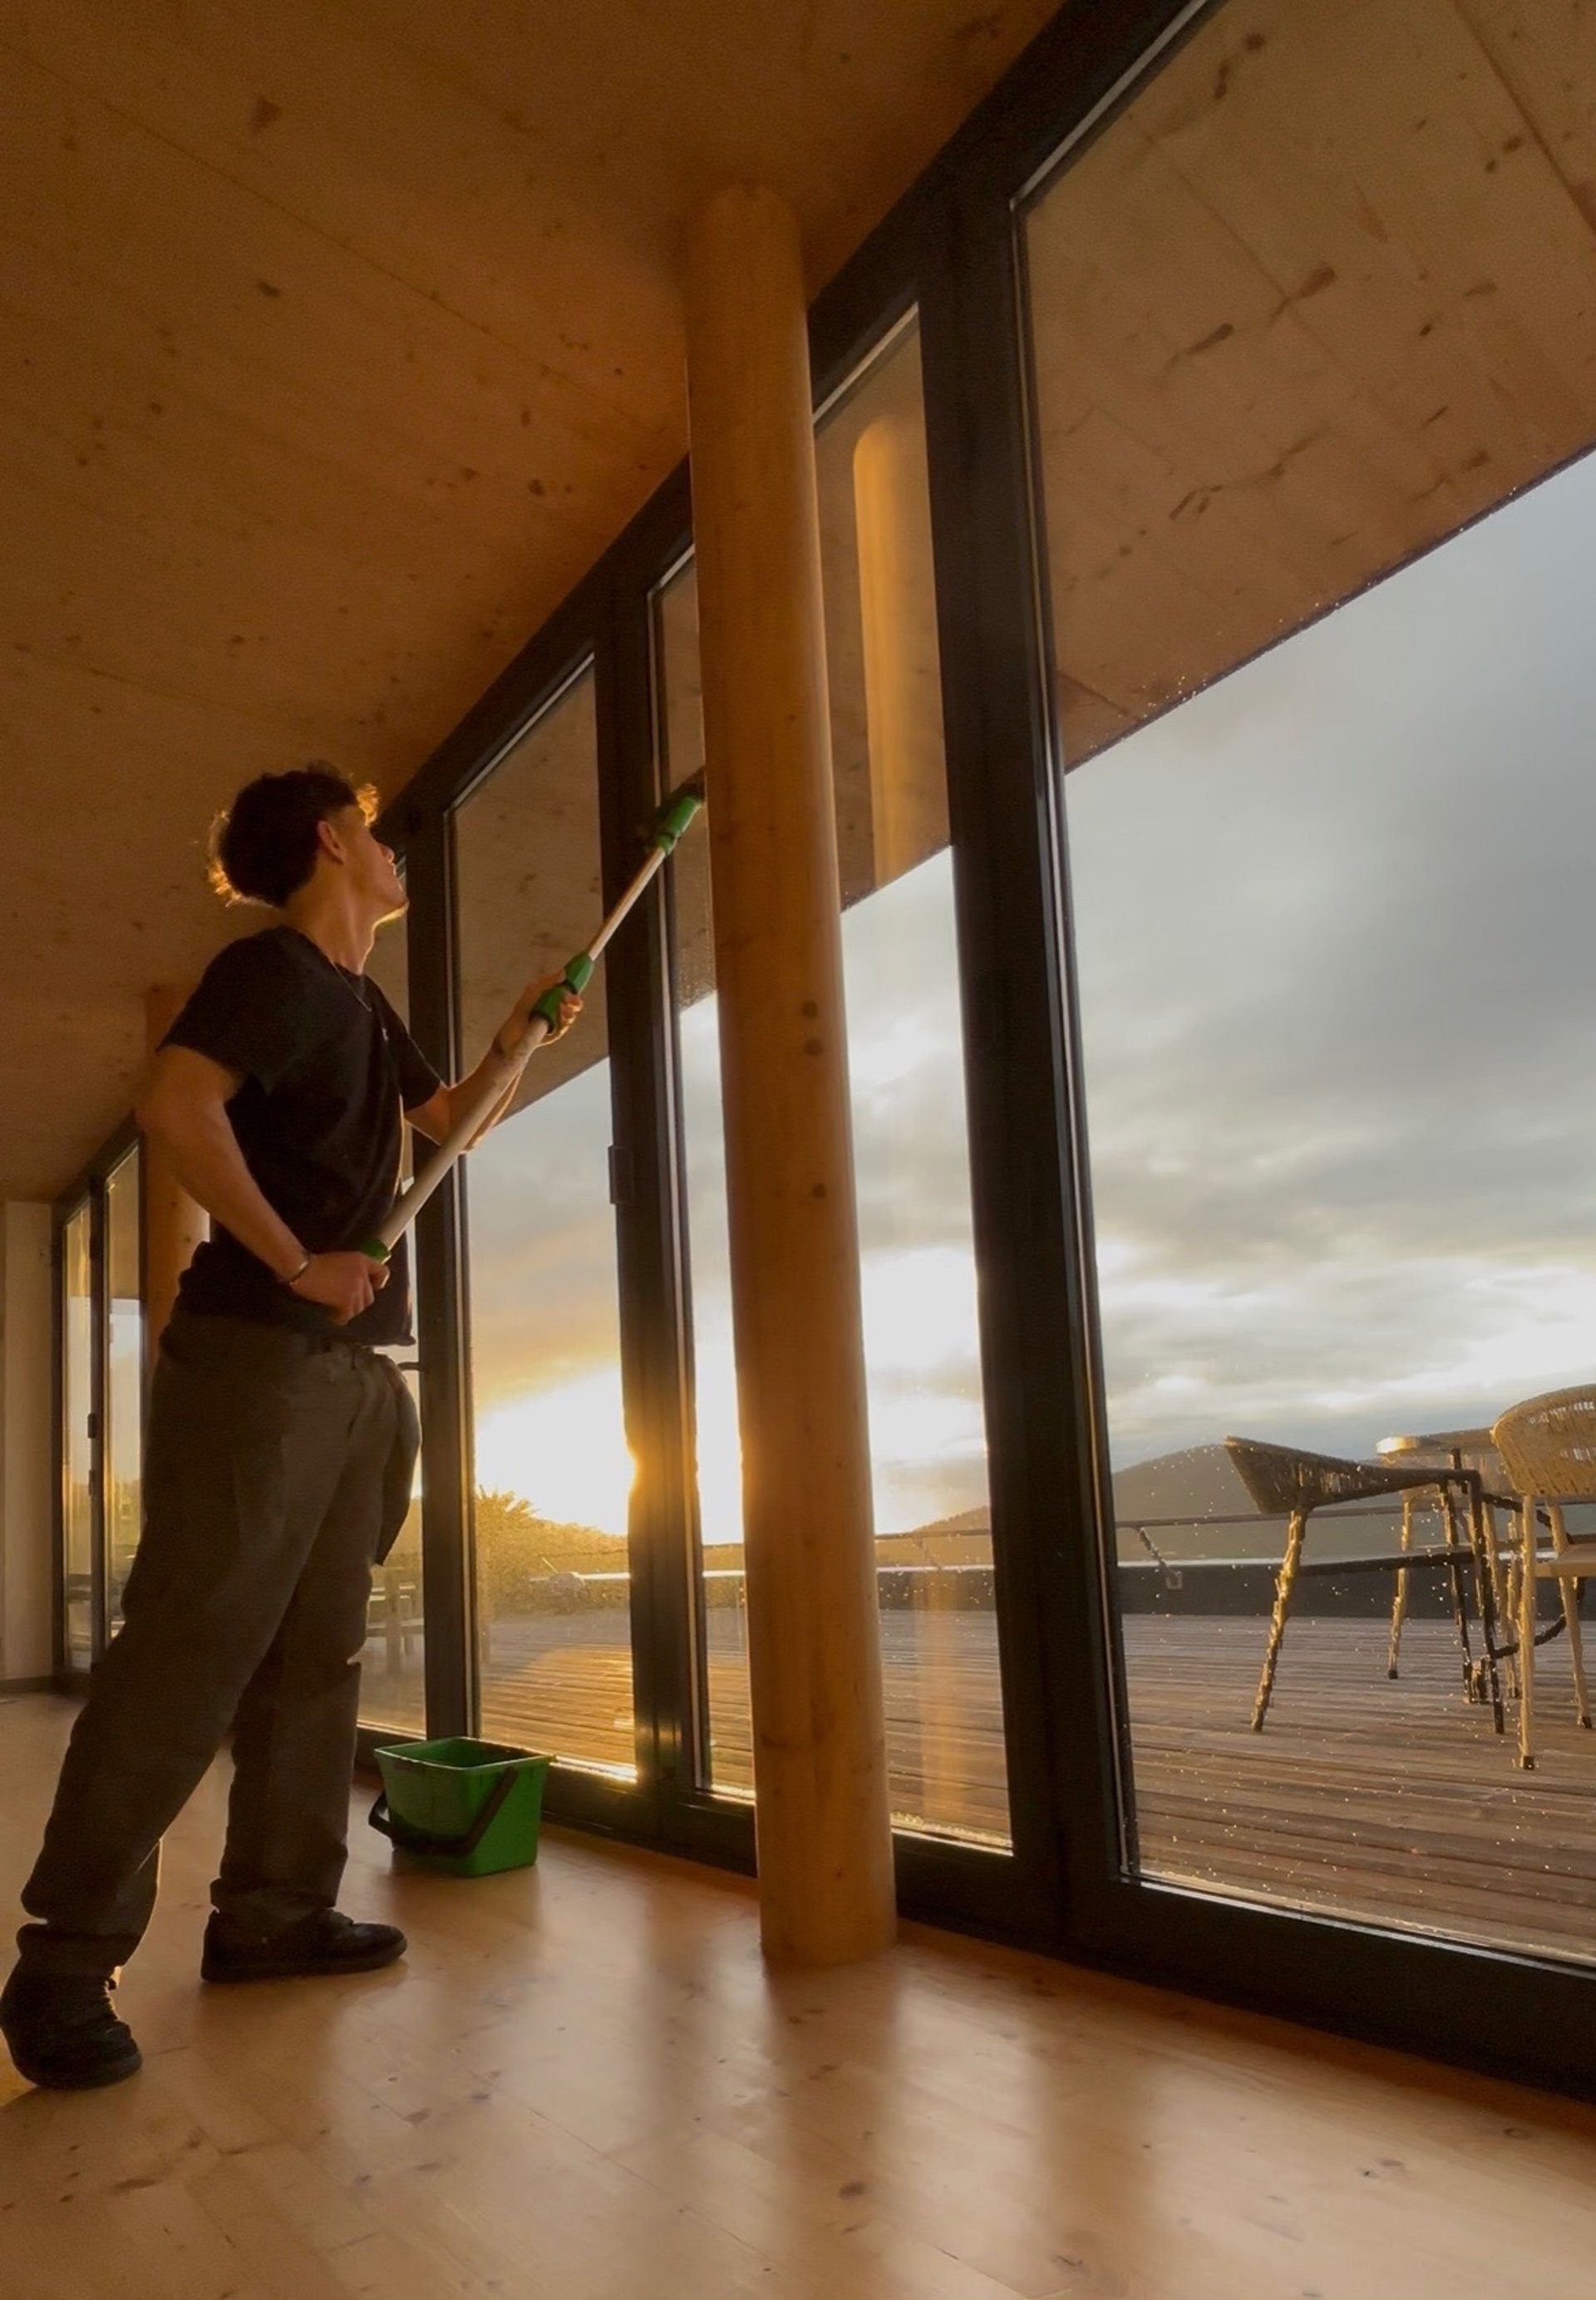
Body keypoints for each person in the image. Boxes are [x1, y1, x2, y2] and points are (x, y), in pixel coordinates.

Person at [0, 765, 580, 2091]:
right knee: (193, 1648)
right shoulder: (268, 973)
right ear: (331, 840)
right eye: (373, 830)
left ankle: (270, 1914)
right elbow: (174, 1108)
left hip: (357, 1372)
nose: (390, 850)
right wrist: (289, 1258)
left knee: (319, 1652)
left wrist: (514, 1044)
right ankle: (61, 1964)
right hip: (261, 1359)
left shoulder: (364, 1006)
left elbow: (447, 1130)